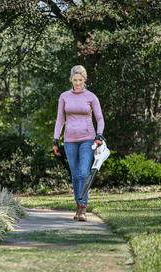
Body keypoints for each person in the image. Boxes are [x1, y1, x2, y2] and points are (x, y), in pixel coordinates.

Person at [52, 65, 104, 221]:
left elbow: (100, 119)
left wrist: (99, 135)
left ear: (84, 80)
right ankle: (78, 205)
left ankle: (83, 207)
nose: (77, 83)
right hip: (69, 140)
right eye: (75, 80)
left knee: (83, 172)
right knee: (75, 175)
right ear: (71, 79)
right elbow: (60, 119)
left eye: (80, 80)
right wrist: (56, 139)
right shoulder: (64, 96)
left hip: (87, 139)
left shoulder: (91, 97)